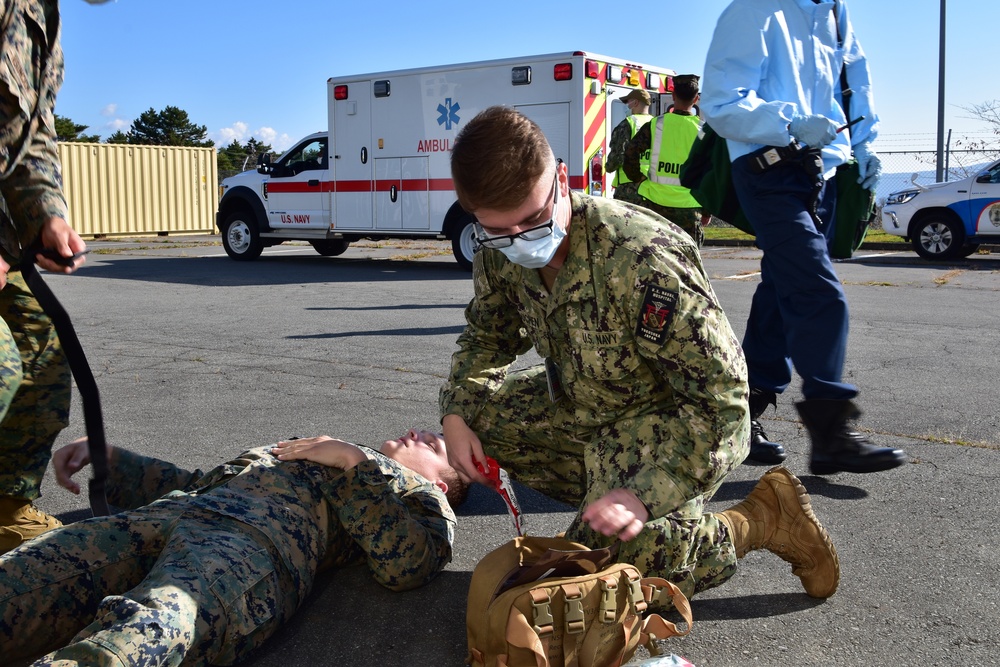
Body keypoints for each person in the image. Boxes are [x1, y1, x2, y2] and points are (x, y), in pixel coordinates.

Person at [440, 105, 839, 604]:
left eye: (534, 219)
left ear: (562, 179)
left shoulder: (640, 258)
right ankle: (610, 495)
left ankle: (758, 521)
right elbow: (486, 337)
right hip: (587, 410)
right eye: (500, 230)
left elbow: (725, 406)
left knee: (602, 587)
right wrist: (457, 412)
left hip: (669, 428)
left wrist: (645, 493)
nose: (520, 242)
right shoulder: (496, 249)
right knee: (481, 412)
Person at [0, 428, 467, 665]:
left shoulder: (417, 495)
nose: (422, 433)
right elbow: (201, 485)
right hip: (174, 514)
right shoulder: (331, 445)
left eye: (437, 445)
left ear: (445, 485)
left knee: (148, 629)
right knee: (24, 576)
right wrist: (116, 462)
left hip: (248, 550)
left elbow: (408, 564)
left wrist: (353, 463)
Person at [700, 0, 906, 473]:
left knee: (781, 288)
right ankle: (831, 429)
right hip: (767, 166)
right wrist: (788, 122)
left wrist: (865, 145)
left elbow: (856, 83)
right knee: (815, 286)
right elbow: (721, 100)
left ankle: (741, 417)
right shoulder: (754, 11)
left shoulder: (834, 13)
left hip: (824, 169)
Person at [0, 0, 93, 554]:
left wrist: (44, 217)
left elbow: (28, 133)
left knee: (41, 359)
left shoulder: (38, 12)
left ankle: (5, 509)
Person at [622, 74, 705, 246]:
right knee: (689, 263)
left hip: (656, 205)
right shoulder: (704, 131)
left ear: (673, 96)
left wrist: (638, 179)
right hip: (689, 208)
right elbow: (712, 172)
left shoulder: (656, 124)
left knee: (658, 258)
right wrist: (707, 210)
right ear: (696, 99)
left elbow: (630, 153)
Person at [605, 88, 652, 206]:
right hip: (652, 187)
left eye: (628, 102)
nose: (626, 106)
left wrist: (608, 167)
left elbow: (618, 155)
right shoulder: (657, 123)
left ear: (635, 103)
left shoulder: (628, 123)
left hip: (629, 187)